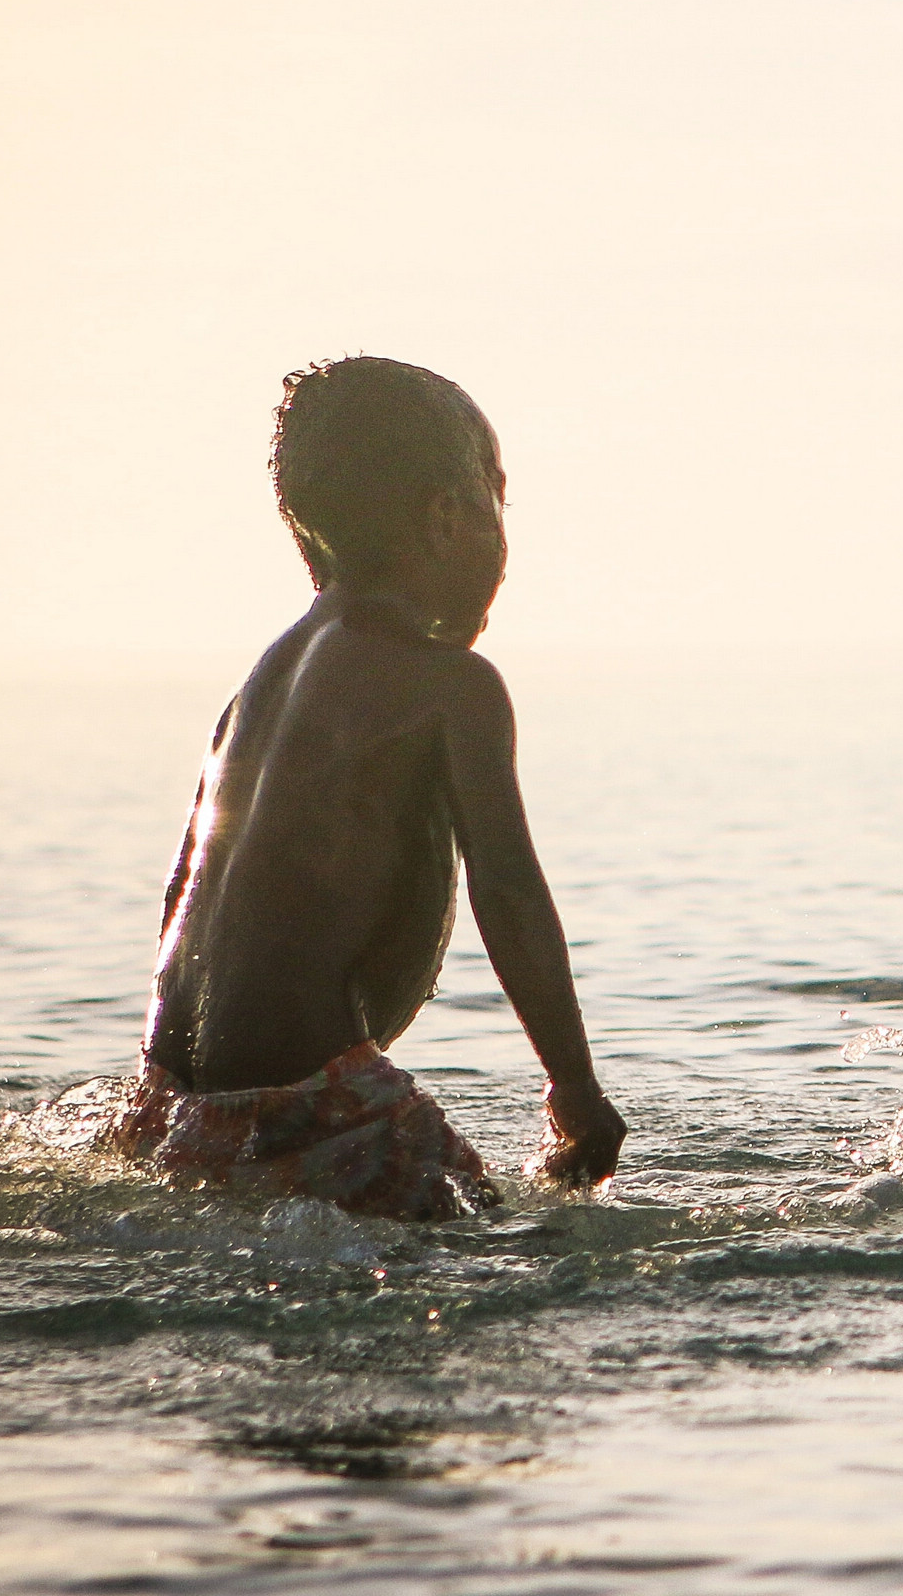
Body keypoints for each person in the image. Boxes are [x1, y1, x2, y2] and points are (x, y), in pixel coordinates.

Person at [111, 357, 625, 1221]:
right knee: (513, 1245)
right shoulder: (449, 683)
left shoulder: (259, 687)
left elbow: (182, 897)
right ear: (445, 516)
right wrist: (573, 1091)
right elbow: (506, 887)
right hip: (319, 1107)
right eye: (499, 500)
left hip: (170, 1110)